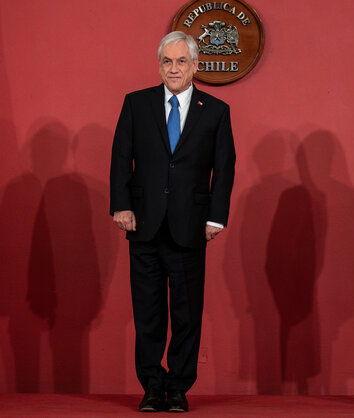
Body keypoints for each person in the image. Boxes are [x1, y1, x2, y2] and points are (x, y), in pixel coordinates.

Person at [110, 31, 235, 412]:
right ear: (159, 65)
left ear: (196, 66)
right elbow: (120, 158)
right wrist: (121, 205)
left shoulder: (215, 110)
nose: (174, 68)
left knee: (186, 312)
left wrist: (216, 216)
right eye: (168, 61)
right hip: (143, 224)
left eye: (182, 61)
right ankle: (151, 384)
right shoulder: (136, 104)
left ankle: (179, 386)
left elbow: (225, 168)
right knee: (147, 313)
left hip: (191, 225)